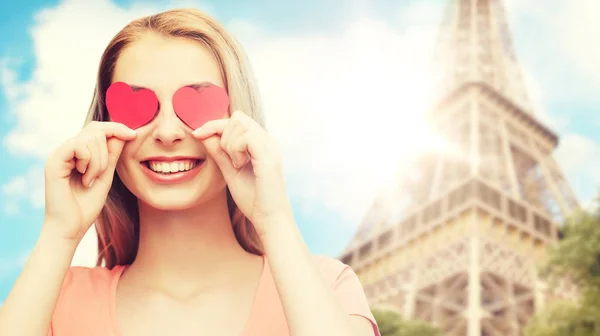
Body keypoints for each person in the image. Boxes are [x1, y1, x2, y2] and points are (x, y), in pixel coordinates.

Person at [0, 8, 380, 336]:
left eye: (198, 104)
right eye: (138, 107)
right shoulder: (55, 300)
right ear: (103, 128)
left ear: (239, 120)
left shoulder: (325, 287)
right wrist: (59, 232)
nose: (167, 133)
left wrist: (274, 219)